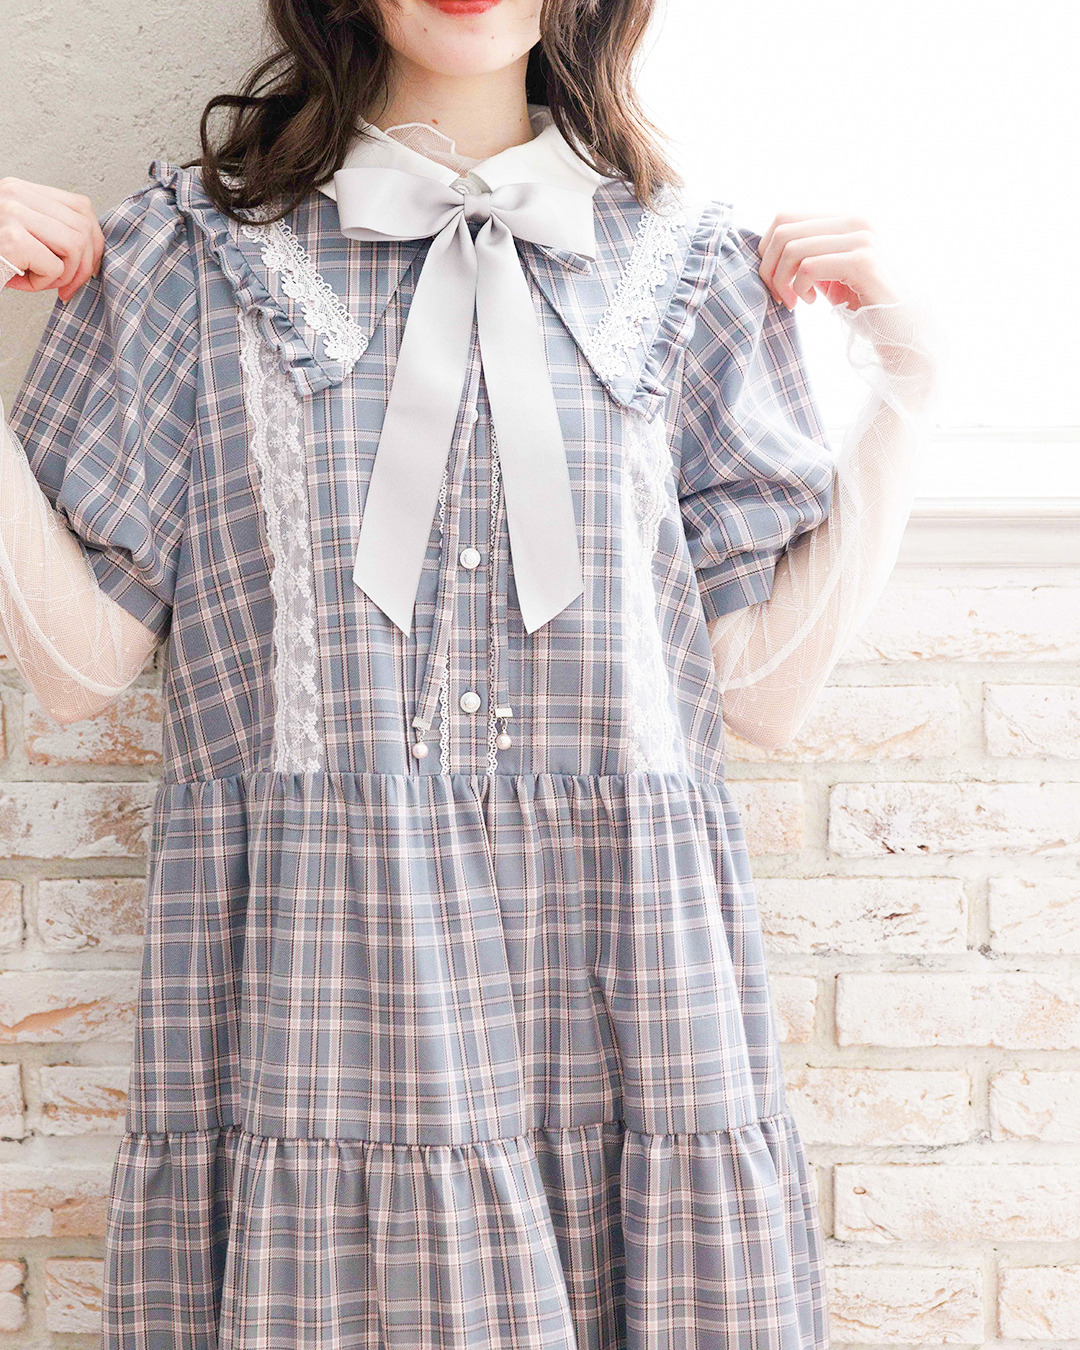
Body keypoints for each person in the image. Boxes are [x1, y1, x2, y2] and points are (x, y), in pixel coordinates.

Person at [0, 0, 937, 1343]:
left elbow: (763, 692)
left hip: (629, 995)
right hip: (330, 1002)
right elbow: (78, 667)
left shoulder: (693, 268)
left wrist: (911, 377)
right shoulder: (189, 261)